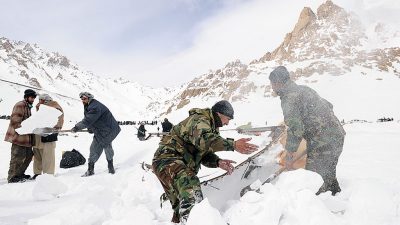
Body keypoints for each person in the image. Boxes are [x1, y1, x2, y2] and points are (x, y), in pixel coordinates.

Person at [152, 100, 258, 223]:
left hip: (174, 163)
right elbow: (205, 140)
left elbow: (203, 153)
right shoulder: (200, 120)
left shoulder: (210, 127)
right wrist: (233, 145)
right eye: (227, 119)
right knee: (190, 184)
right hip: (167, 159)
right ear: (219, 114)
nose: (227, 123)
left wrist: (218, 162)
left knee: (181, 206)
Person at [269, 66, 346, 195]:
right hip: (336, 136)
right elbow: (328, 105)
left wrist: (289, 154)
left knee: (313, 181)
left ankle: (318, 211)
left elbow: (296, 128)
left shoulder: (289, 98)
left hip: (323, 142)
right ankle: (336, 201)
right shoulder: (304, 90)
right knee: (328, 176)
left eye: (272, 84)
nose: (272, 87)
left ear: (277, 83)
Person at [71, 92, 121, 176]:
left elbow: (88, 120)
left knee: (103, 148)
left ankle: (106, 168)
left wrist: (77, 127)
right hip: (101, 130)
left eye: (84, 98)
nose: (82, 100)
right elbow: (93, 120)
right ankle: (98, 169)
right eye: (82, 99)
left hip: (107, 130)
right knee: (100, 148)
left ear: (89, 98)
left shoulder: (95, 107)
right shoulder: (90, 105)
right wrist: (91, 129)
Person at [4, 89, 37, 183]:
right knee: (17, 157)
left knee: (28, 156)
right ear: (26, 97)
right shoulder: (20, 105)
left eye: (34, 98)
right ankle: (12, 177)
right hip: (18, 137)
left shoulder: (28, 107)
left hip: (26, 138)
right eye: (31, 97)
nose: (33, 99)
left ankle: (19, 174)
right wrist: (25, 128)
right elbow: (15, 121)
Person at [32, 93, 64, 178]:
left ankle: (48, 174)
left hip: (48, 134)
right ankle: (37, 173)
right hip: (38, 134)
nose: (39, 102)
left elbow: (54, 121)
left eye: (41, 100)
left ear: (46, 100)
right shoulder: (42, 107)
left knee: (48, 156)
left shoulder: (55, 107)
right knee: (37, 154)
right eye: (39, 100)